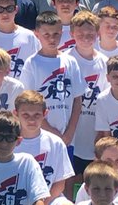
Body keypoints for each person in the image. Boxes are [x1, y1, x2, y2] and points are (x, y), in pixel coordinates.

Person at [63, 10, 110, 176]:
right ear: (71, 34)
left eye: (90, 33)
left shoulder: (104, 62)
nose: (85, 37)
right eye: (80, 33)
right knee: (70, 177)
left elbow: (106, 101)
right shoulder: (65, 60)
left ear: (98, 34)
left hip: (94, 129)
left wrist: (102, 132)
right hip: (71, 131)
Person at [20, 11, 79, 140]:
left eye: (56, 34)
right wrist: (52, 132)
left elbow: (77, 99)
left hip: (68, 136)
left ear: (62, 33)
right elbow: (28, 102)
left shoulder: (70, 61)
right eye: (46, 34)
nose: (52, 39)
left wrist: (69, 133)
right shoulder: (32, 63)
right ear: (37, 34)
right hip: (41, 135)